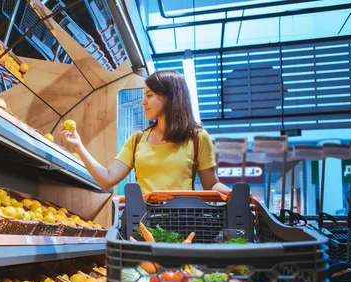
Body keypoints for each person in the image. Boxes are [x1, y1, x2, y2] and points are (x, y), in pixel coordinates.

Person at [61, 70, 230, 195]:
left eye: (149, 95)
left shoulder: (197, 137)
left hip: (183, 221)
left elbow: (211, 185)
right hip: (142, 221)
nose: (143, 102)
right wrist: (78, 146)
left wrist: (235, 194)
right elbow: (107, 179)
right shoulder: (137, 140)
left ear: (171, 97)